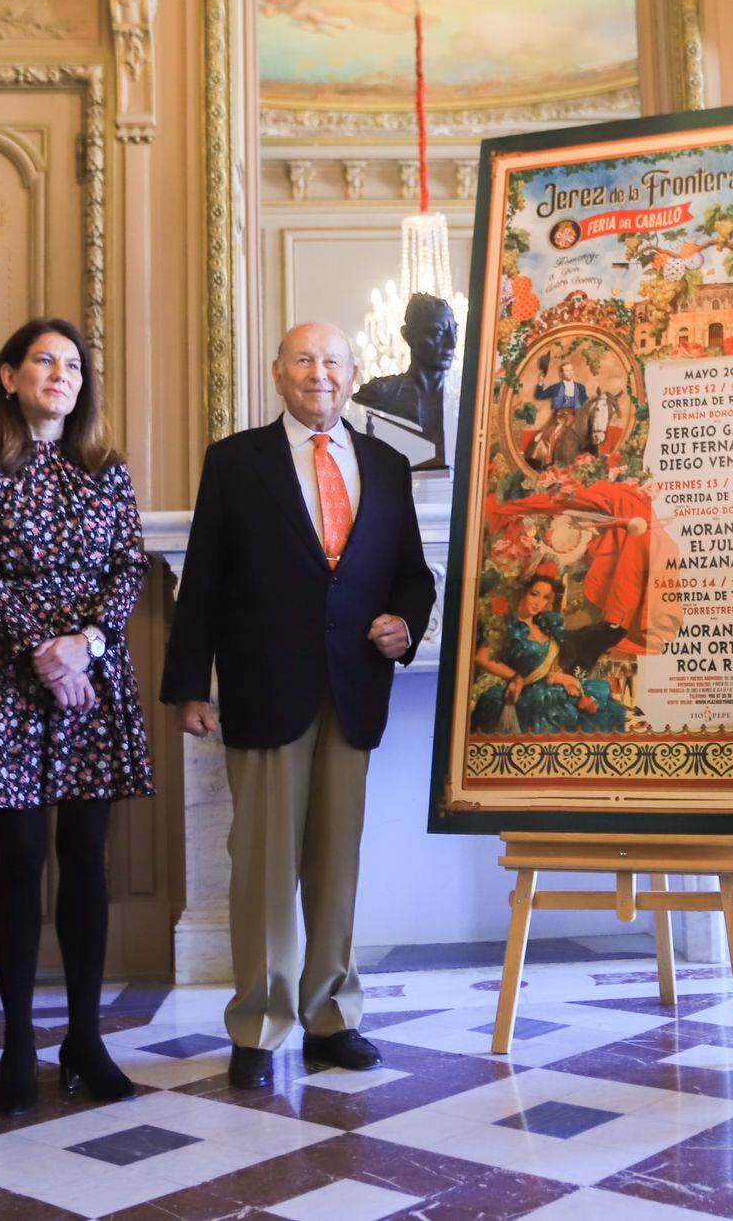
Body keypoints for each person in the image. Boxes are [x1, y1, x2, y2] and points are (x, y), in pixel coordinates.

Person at [161, 322, 436, 1090]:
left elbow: (413, 575)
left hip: (353, 689)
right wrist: (189, 684)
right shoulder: (235, 462)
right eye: (305, 360)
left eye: (334, 362)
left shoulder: (385, 465)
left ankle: (331, 1018)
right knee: (261, 867)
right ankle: (259, 1024)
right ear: (279, 373)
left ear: (353, 378)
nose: (320, 374)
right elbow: (206, 581)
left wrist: (404, 625)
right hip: (263, 686)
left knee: (335, 866)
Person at [0, 318, 152, 1117]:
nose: (60, 374)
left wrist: (84, 646)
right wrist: (42, 649)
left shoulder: (106, 468)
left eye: (72, 364)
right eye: (43, 361)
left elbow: (129, 566)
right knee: (21, 860)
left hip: (91, 680)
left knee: (86, 859)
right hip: (8, 681)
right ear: (8, 377)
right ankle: (19, 1041)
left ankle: (86, 1039)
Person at [470, 564, 629, 734]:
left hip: (551, 686)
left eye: (545, 597)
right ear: (522, 592)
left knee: (601, 705)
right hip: (532, 698)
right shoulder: (509, 626)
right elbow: (481, 657)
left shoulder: (545, 624)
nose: (539, 602)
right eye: (534, 594)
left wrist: (563, 679)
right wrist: (515, 677)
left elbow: (549, 669)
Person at [351, 291, 458, 460]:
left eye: (454, 331)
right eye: (438, 333)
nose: (452, 343)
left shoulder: (463, 398)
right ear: (408, 335)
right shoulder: (381, 394)